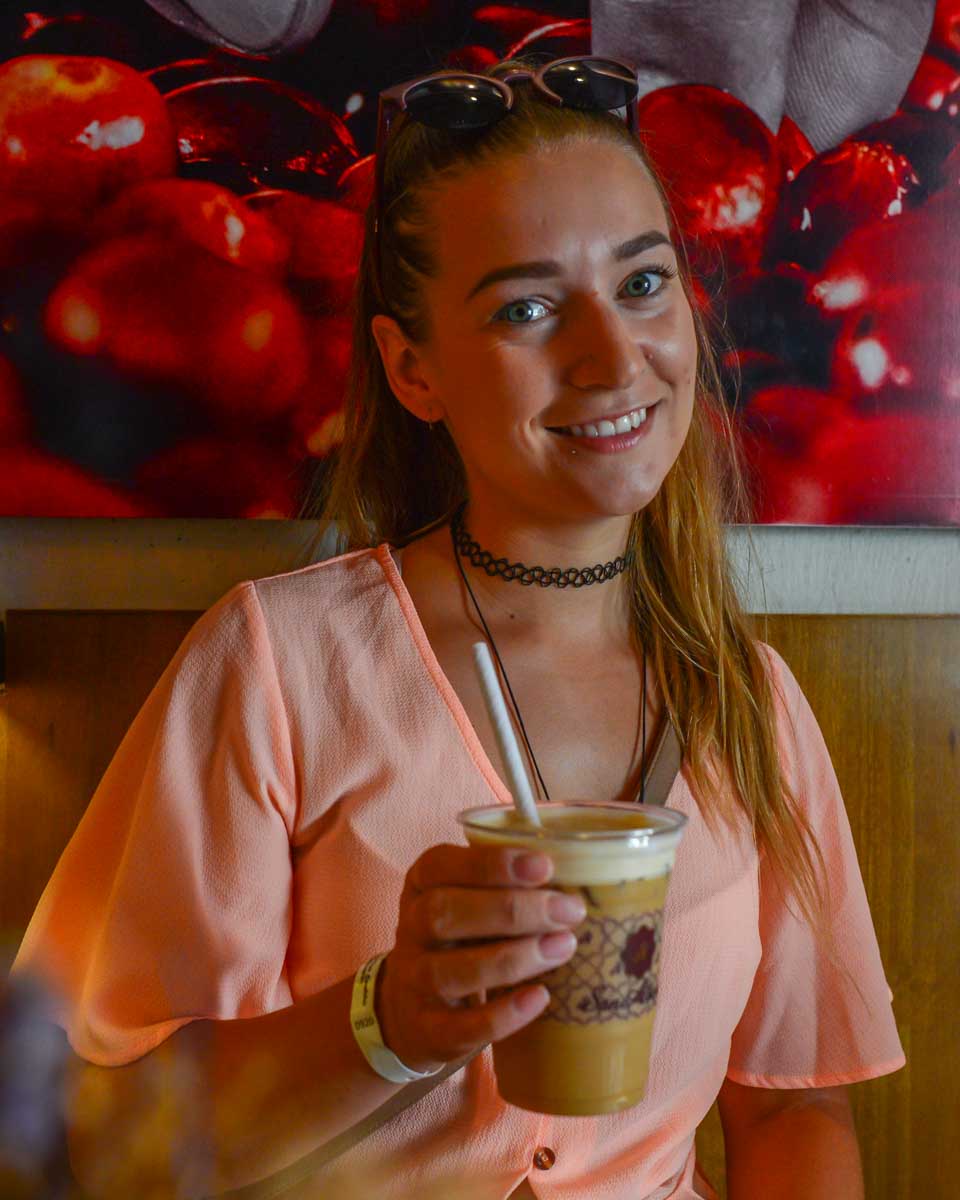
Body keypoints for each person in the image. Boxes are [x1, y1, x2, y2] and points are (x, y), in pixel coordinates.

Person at [10, 55, 905, 1200]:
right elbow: (84, 1141)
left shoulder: (750, 699)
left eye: (642, 284)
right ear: (413, 369)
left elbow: (796, 1115)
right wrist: (389, 1024)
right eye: (528, 308)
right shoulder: (283, 665)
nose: (611, 356)